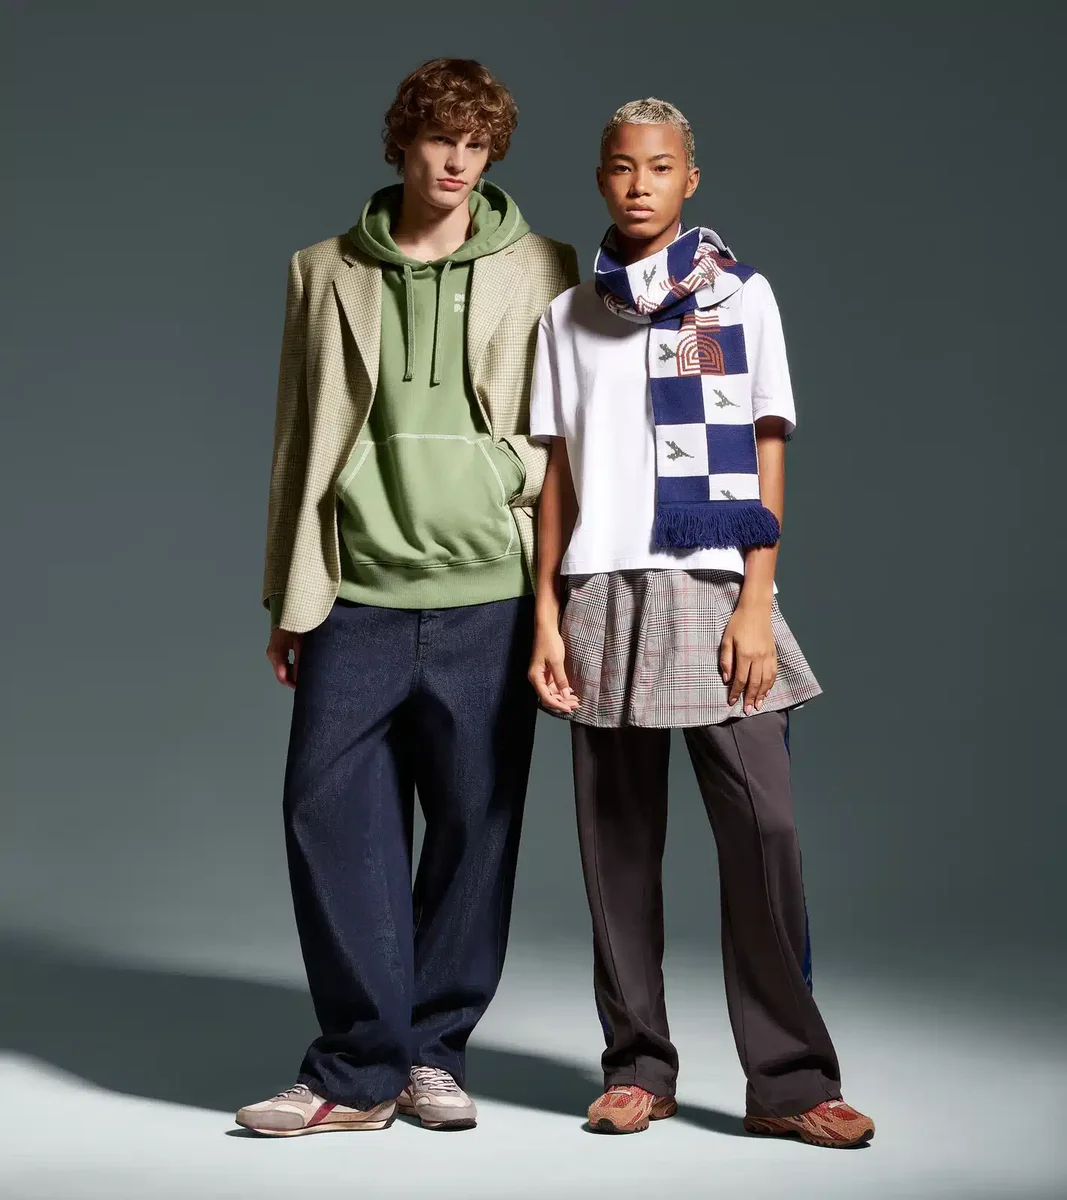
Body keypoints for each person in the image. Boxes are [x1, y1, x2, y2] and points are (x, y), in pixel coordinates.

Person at [236, 58, 579, 1137]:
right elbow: (297, 438)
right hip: (356, 592)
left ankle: (431, 1054)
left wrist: (504, 478)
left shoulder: (546, 266)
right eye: (440, 139)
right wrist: (287, 594)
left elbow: (567, 429)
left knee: (477, 826)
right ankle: (356, 1067)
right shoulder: (323, 270)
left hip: (491, 595)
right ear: (403, 142)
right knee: (325, 813)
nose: (458, 162)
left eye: (477, 145)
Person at [527, 98, 874, 1147]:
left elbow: (766, 442)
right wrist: (544, 614)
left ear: (689, 178)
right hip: (601, 589)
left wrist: (756, 599)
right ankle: (636, 1068)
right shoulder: (566, 317)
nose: (638, 184)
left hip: (716, 584)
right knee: (616, 851)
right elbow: (555, 476)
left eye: (659, 166)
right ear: (600, 177)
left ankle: (789, 1082)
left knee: (763, 833)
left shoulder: (739, 298)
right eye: (620, 166)